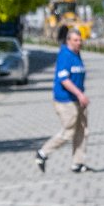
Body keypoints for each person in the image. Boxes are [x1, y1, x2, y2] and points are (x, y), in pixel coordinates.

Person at [35, 26, 89, 173]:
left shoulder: (77, 54)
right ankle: (43, 153)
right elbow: (64, 80)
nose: (79, 43)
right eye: (75, 40)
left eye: (80, 40)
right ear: (68, 41)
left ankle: (77, 163)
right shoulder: (65, 55)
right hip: (66, 101)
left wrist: (80, 96)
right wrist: (79, 94)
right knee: (69, 132)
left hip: (78, 100)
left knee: (82, 131)